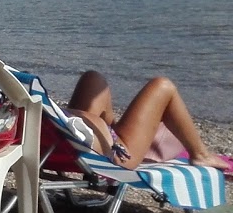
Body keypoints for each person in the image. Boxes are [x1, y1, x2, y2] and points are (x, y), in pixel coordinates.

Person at [64, 70, 231, 174]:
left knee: (93, 78)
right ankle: (201, 155)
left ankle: (120, 131)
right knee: (163, 86)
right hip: (109, 155)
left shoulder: (37, 107)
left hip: (64, 142)